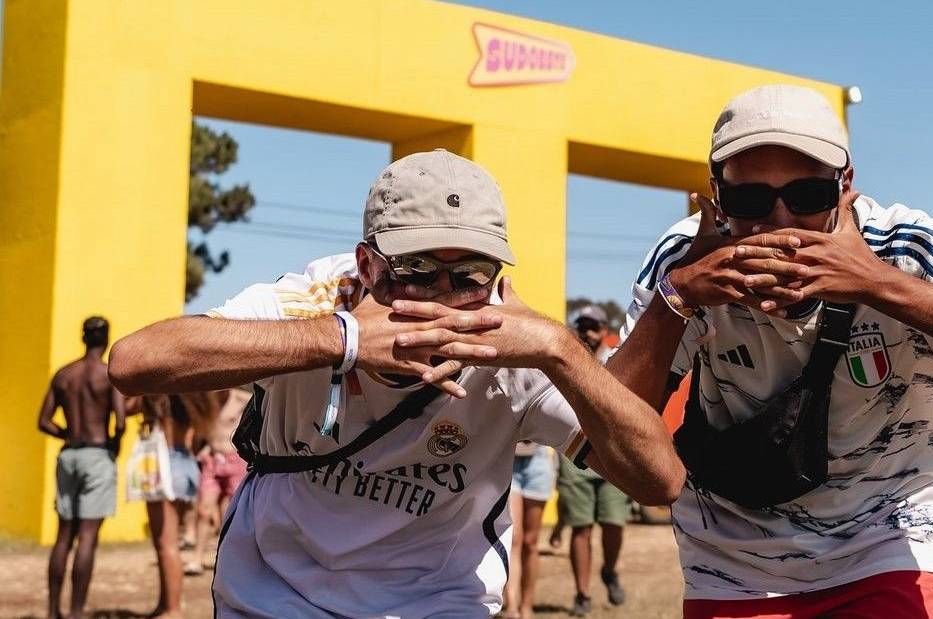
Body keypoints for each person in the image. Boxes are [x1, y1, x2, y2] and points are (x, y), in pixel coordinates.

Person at [109, 149, 684, 618]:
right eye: (416, 273)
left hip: (437, 603)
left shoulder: (513, 344)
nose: (443, 298)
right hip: (274, 596)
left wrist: (563, 352)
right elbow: (135, 362)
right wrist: (341, 340)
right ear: (366, 267)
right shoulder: (316, 302)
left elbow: (660, 481)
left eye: (468, 278)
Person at [608, 84, 933, 618]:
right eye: (750, 202)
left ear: (845, 187)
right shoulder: (687, 259)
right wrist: (678, 298)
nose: (781, 221)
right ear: (716, 196)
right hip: (734, 558)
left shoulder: (903, 245)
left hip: (889, 539)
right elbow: (606, 427)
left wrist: (875, 283)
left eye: (808, 196)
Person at [37, 316, 126, 619]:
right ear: (106, 338)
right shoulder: (108, 374)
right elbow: (122, 419)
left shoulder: (64, 375)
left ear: (83, 337)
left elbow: (43, 421)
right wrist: (115, 442)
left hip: (69, 456)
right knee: (87, 536)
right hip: (97, 455)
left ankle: (52, 611)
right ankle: (76, 613)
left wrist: (69, 435)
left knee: (64, 536)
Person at [553, 305, 629, 616]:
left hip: (612, 455)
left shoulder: (618, 359)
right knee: (580, 528)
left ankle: (609, 571)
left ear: (604, 329)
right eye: (582, 325)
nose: (587, 331)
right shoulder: (565, 358)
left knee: (614, 524)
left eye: (593, 325)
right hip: (574, 453)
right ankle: (582, 594)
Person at [132, 392, 203, 619]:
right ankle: (165, 604)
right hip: (185, 461)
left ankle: (173, 609)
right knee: (171, 541)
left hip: (164, 464)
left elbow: (127, 406)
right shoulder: (189, 398)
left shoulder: (154, 398)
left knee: (165, 544)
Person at [186, 387, 252, 576]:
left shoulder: (242, 399)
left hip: (235, 461)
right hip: (213, 460)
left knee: (232, 514)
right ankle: (197, 559)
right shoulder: (207, 403)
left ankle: (231, 559)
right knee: (204, 510)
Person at [500, 440, 555, 619]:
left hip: (538, 461)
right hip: (507, 459)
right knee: (514, 537)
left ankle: (527, 606)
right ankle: (512, 606)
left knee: (530, 542)